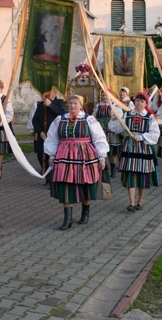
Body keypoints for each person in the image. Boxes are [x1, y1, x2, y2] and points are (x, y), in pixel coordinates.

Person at [44, 95, 108, 230]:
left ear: (81, 105)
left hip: (85, 155)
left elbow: (99, 138)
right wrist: (51, 155)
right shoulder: (60, 119)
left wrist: (102, 157)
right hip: (64, 156)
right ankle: (67, 219)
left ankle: (85, 211)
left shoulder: (89, 119)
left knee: (86, 183)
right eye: (70, 103)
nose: (72, 106)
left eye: (75, 103)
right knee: (66, 184)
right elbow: (52, 138)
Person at [109, 92, 160, 212]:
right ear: (134, 102)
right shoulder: (127, 115)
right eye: (137, 100)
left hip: (144, 149)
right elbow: (117, 128)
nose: (139, 103)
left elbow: (155, 135)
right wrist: (114, 118)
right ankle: (131, 202)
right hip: (129, 148)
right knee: (130, 173)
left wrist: (141, 137)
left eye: (142, 101)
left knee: (142, 175)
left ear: (146, 103)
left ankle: (140, 201)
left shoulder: (150, 117)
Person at [31, 90, 66, 183]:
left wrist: (50, 105)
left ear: (54, 92)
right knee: (41, 155)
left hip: (55, 136)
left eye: (49, 91)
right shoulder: (40, 104)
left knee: (54, 157)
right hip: (43, 135)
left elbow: (63, 113)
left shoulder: (60, 103)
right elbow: (35, 120)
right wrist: (40, 132)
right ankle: (48, 176)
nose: (46, 93)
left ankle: (54, 178)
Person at [92, 89, 122, 180]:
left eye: (106, 95)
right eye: (103, 95)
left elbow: (120, 118)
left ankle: (113, 168)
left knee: (111, 151)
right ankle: (104, 168)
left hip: (111, 129)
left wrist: (114, 116)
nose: (105, 97)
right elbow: (93, 117)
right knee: (100, 149)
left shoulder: (115, 105)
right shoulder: (98, 106)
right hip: (100, 129)